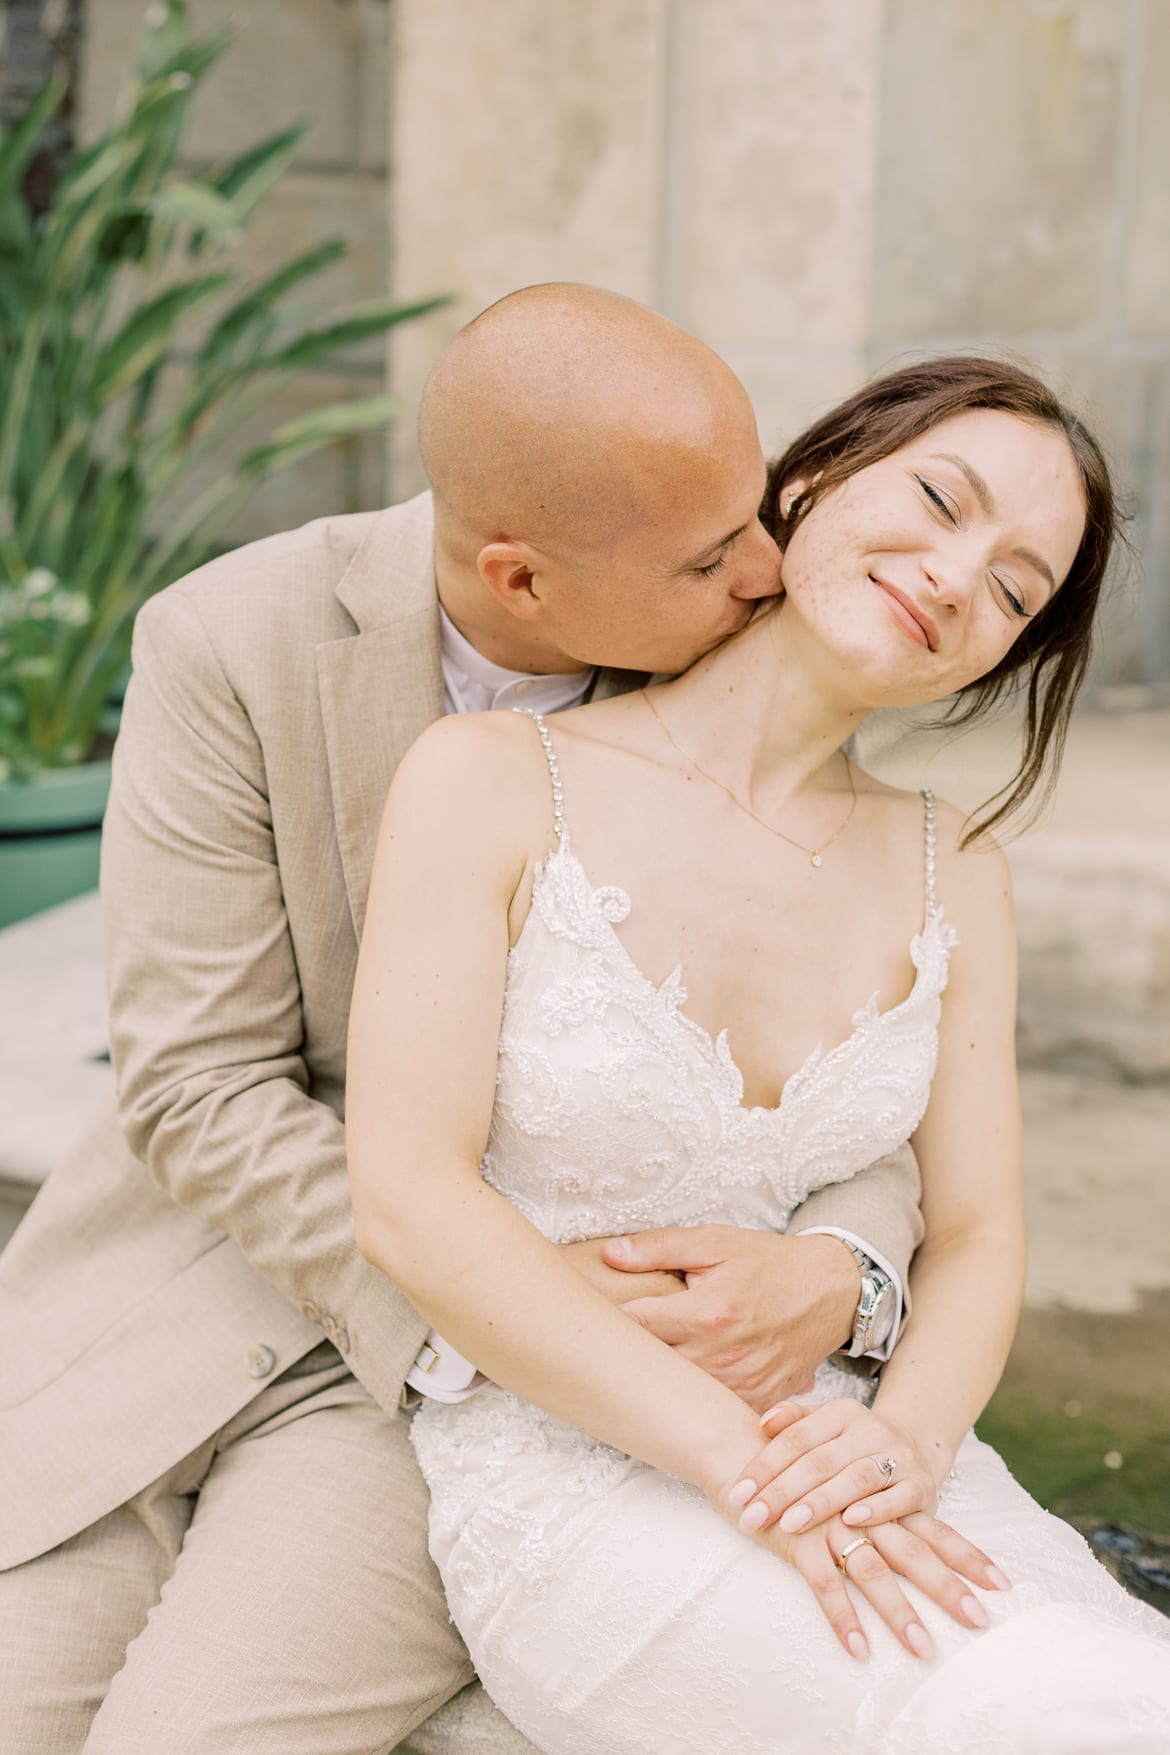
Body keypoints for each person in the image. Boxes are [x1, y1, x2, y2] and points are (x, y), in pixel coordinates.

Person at [0, 286, 936, 1754]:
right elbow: (197, 1086)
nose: (770, 575)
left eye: (758, 516)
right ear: (519, 584)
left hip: (501, 1401)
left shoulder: (740, 672)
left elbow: (855, 1048)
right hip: (193, 1297)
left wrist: (846, 1270)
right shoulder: (229, 639)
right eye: (713, 556)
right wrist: (480, 1304)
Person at [345, 341, 1170, 1752]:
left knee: (1108, 1685)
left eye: (1016, 588)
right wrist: (743, 1463)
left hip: (861, 1455)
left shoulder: (950, 867)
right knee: (1010, 1712)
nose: (958, 576)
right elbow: (409, 1201)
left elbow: (974, 1233)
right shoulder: (491, 784)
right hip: (570, 1470)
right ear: (810, 479)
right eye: (939, 499)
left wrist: (901, 1444)